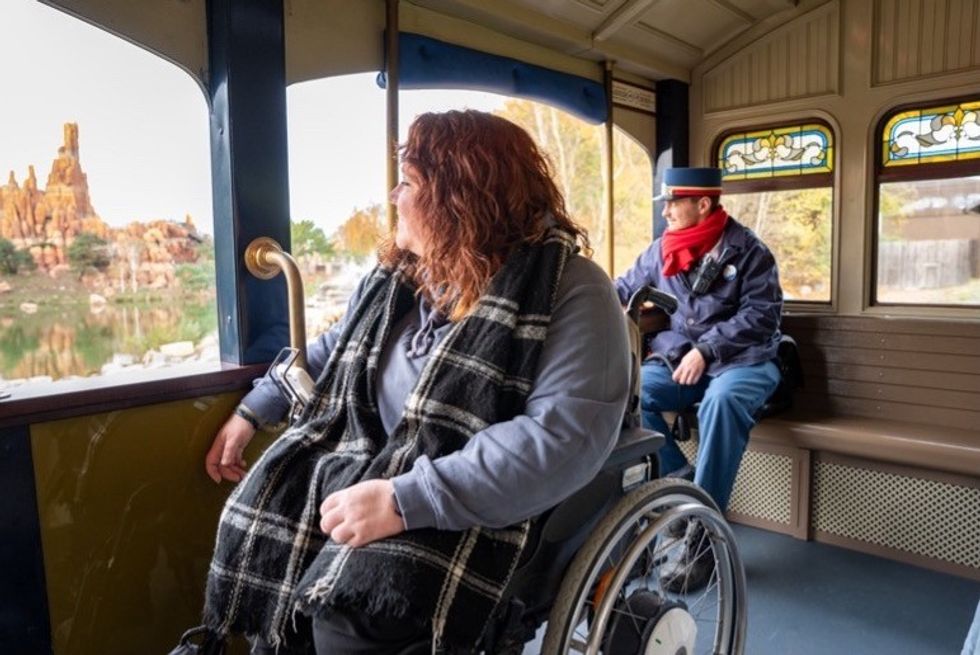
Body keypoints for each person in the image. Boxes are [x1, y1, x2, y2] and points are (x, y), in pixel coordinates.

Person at [201, 110, 630, 654]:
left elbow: (558, 439)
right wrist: (254, 409)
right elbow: (335, 350)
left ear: (459, 195)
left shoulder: (572, 291)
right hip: (376, 467)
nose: (393, 196)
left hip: (478, 499)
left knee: (347, 624)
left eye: (408, 182)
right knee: (267, 547)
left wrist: (407, 499)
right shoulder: (405, 278)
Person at [614, 166, 782, 589]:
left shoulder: (749, 251)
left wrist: (707, 350)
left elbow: (762, 316)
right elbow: (622, 288)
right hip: (680, 362)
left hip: (745, 360)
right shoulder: (661, 251)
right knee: (627, 393)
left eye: (674, 202)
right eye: (665, 203)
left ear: (703, 204)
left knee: (722, 402)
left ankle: (702, 537)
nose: (666, 211)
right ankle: (682, 485)